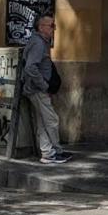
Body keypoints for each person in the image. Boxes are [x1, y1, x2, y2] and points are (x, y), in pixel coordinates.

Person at [22, 13, 71, 164]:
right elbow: (30, 67)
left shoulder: (41, 42)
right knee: (51, 120)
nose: (54, 29)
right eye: (51, 26)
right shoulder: (38, 43)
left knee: (43, 121)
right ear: (41, 27)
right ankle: (55, 151)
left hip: (37, 88)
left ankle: (48, 153)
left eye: (54, 26)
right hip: (37, 89)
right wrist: (44, 86)